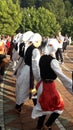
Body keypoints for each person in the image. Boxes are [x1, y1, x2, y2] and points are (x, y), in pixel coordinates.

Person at [31, 38, 72, 130]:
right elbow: (61, 76)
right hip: (48, 87)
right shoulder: (53, 61)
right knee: (60, 106)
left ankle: (39, 126)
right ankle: (48, 124)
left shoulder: (42, 57)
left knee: (42, 107)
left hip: (41, 84)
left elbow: (36, 70)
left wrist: (38, 81)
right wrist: (71, 85)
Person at [15, 33, 42, 113]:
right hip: (30, 73)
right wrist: (38, 78)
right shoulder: (35, 50)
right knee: (28, 89)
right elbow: (35, 65)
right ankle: (18, 107)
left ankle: (20, 106)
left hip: (25, 70)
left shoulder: (28, 47)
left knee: (30, 90)